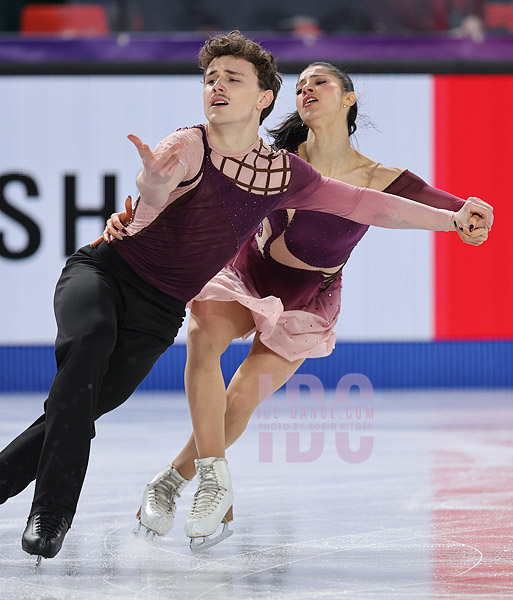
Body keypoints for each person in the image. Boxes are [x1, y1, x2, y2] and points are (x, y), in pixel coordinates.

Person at [0, 31, 491, 560]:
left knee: (150, 401)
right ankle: (87, 507)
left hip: (252, 301)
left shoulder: (299, 174)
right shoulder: (219, 149)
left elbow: (381, 206)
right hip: (176, 275)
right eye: (210, 77)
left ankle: (169, 478)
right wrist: (151, 193)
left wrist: (456, 218)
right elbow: (163, 186)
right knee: (146, 342)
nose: (217, 85)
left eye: (233, 78)